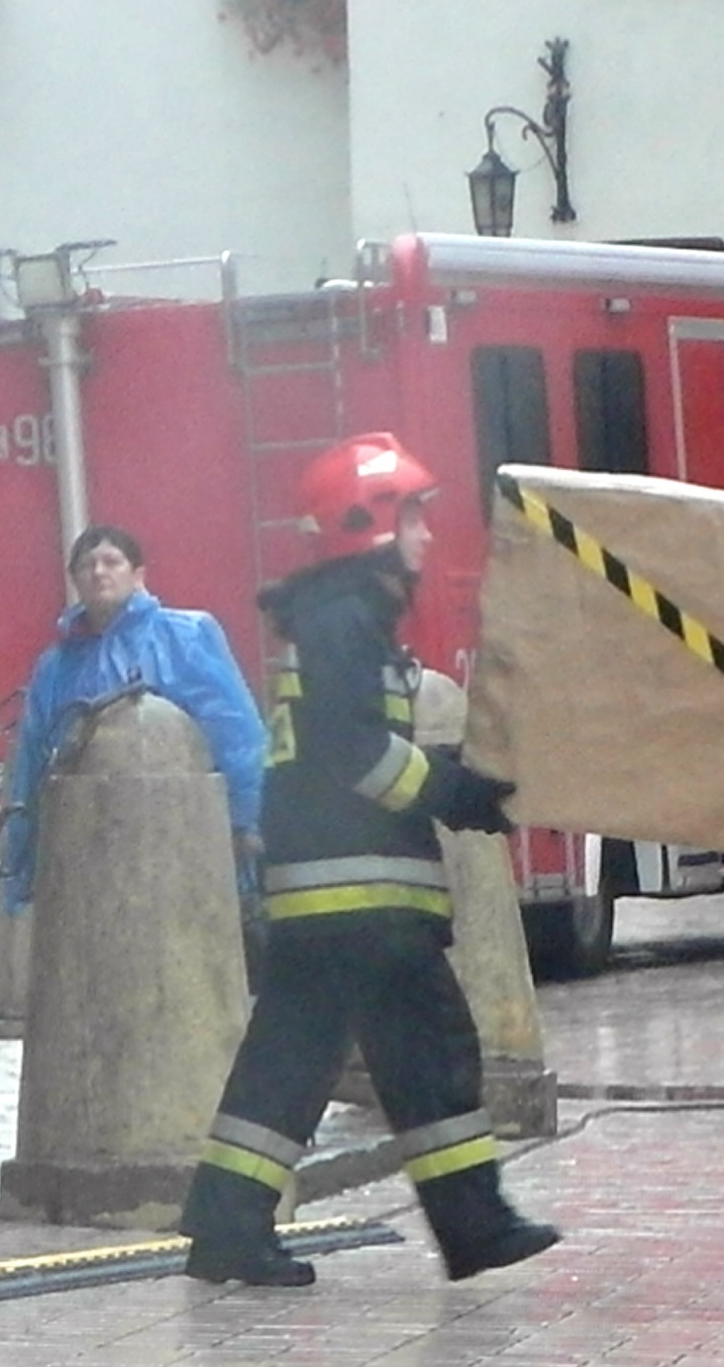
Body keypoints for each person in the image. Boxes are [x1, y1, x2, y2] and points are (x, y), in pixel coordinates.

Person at [178, 433, 560, 1287]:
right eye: (414, 516)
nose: (427, 534)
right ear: (371, 525)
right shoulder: (343, 621)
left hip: (324, 896)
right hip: (364, 899)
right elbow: (354, 752)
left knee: (288, 1061)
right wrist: (454, 795)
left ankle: (226, 1226)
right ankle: (474, 1224)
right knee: (431, 1052)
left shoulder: (332, 618)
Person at [0, 525, 268, 964]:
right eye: (87, 564)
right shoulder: (57, 665)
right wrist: (25, 859)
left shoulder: (185, 636)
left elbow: (235, 732)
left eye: (111, 561)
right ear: (75, 579)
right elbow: (32, 761)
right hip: (87, 842)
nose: (99, 572)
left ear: (138, 573)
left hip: (178, 837)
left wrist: (243, 822)